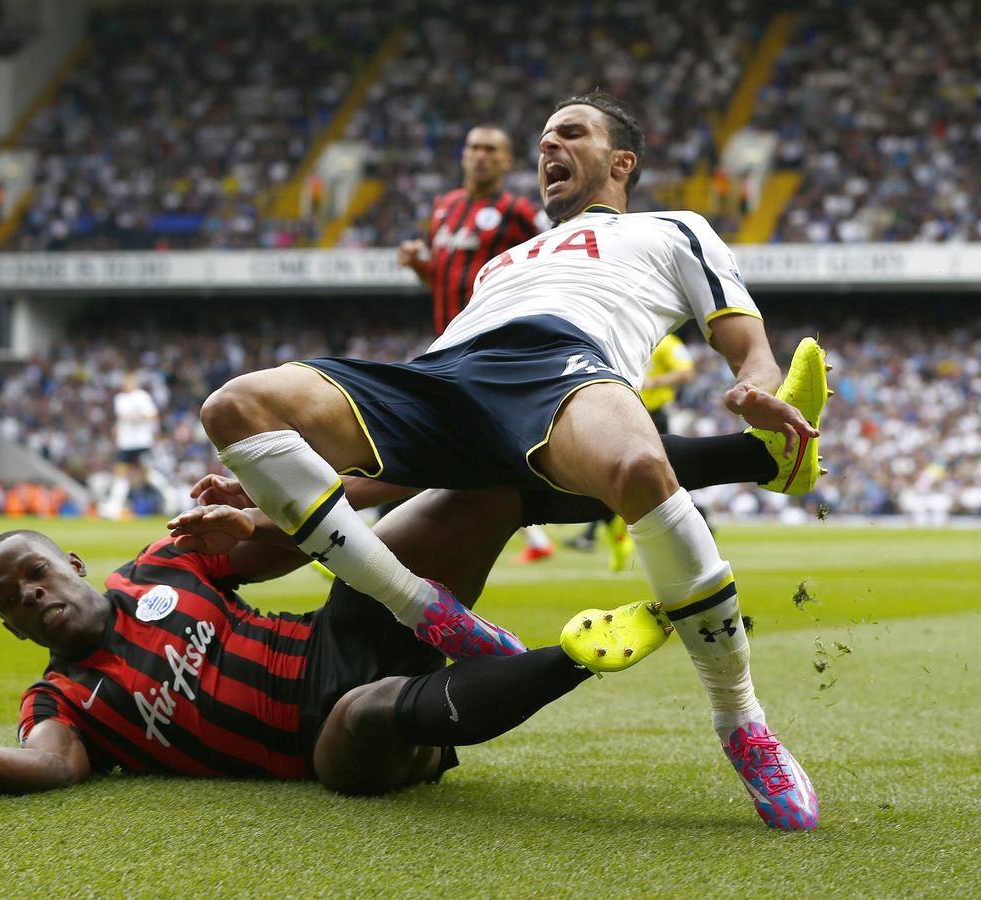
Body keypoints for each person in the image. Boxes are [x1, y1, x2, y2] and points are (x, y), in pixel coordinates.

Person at [192, 92, 827, 830]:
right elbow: (410, 465)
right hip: (441, 378)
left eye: (571, 132)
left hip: (561, 366)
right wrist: (264, 493)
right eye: (544, 135)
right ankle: (423, 608)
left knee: (639, 470)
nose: (548, 144)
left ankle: (741, 722)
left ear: (621, 161)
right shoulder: (500, 265)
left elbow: (747, 343)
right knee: (234, 406)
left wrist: (752, 387)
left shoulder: (673, 228)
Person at [0, 487, 675, 797]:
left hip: (337, 633)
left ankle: (679, 479)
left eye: (35, 573)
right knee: (366, 713)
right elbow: (50, 763)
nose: (32, 595)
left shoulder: (162, 564)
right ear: (12, 628)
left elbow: (299, 546)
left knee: (472, 492)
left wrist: (249, 518)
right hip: (323, 742)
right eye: (13, 601)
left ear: (70, 564)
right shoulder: (63, 699)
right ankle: (574, 656)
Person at [397, 124, 555, 563]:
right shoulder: (443, 206)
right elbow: (444, 278)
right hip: (447, 340)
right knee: (453, 441)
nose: (479, 155)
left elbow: (550, 259)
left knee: (423, 433)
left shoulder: (518, 212)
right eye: (473, 148)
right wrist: (419, 265)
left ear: (506, 161)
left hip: (488, 345)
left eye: (490, 149)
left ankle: (372, 540)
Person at [569, 332, 698, 570]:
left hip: (652, 415)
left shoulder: (667, 343)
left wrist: (655, 382)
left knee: (660, 477)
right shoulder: (619, 337)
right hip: (619, 414)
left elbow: (687, 372)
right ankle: (603, 530)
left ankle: (696, 525)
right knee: (607, 472)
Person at [101, 373, 161, 519]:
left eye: (129, 381)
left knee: (147, 474)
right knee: (120, 473)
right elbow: (121, 419)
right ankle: (114, 506)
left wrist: (136, 417)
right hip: (126, 443)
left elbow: (153, 415)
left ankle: (170, 497)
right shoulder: (120, 399)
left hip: (141, 442)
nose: (126, 384)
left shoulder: (142, 396)